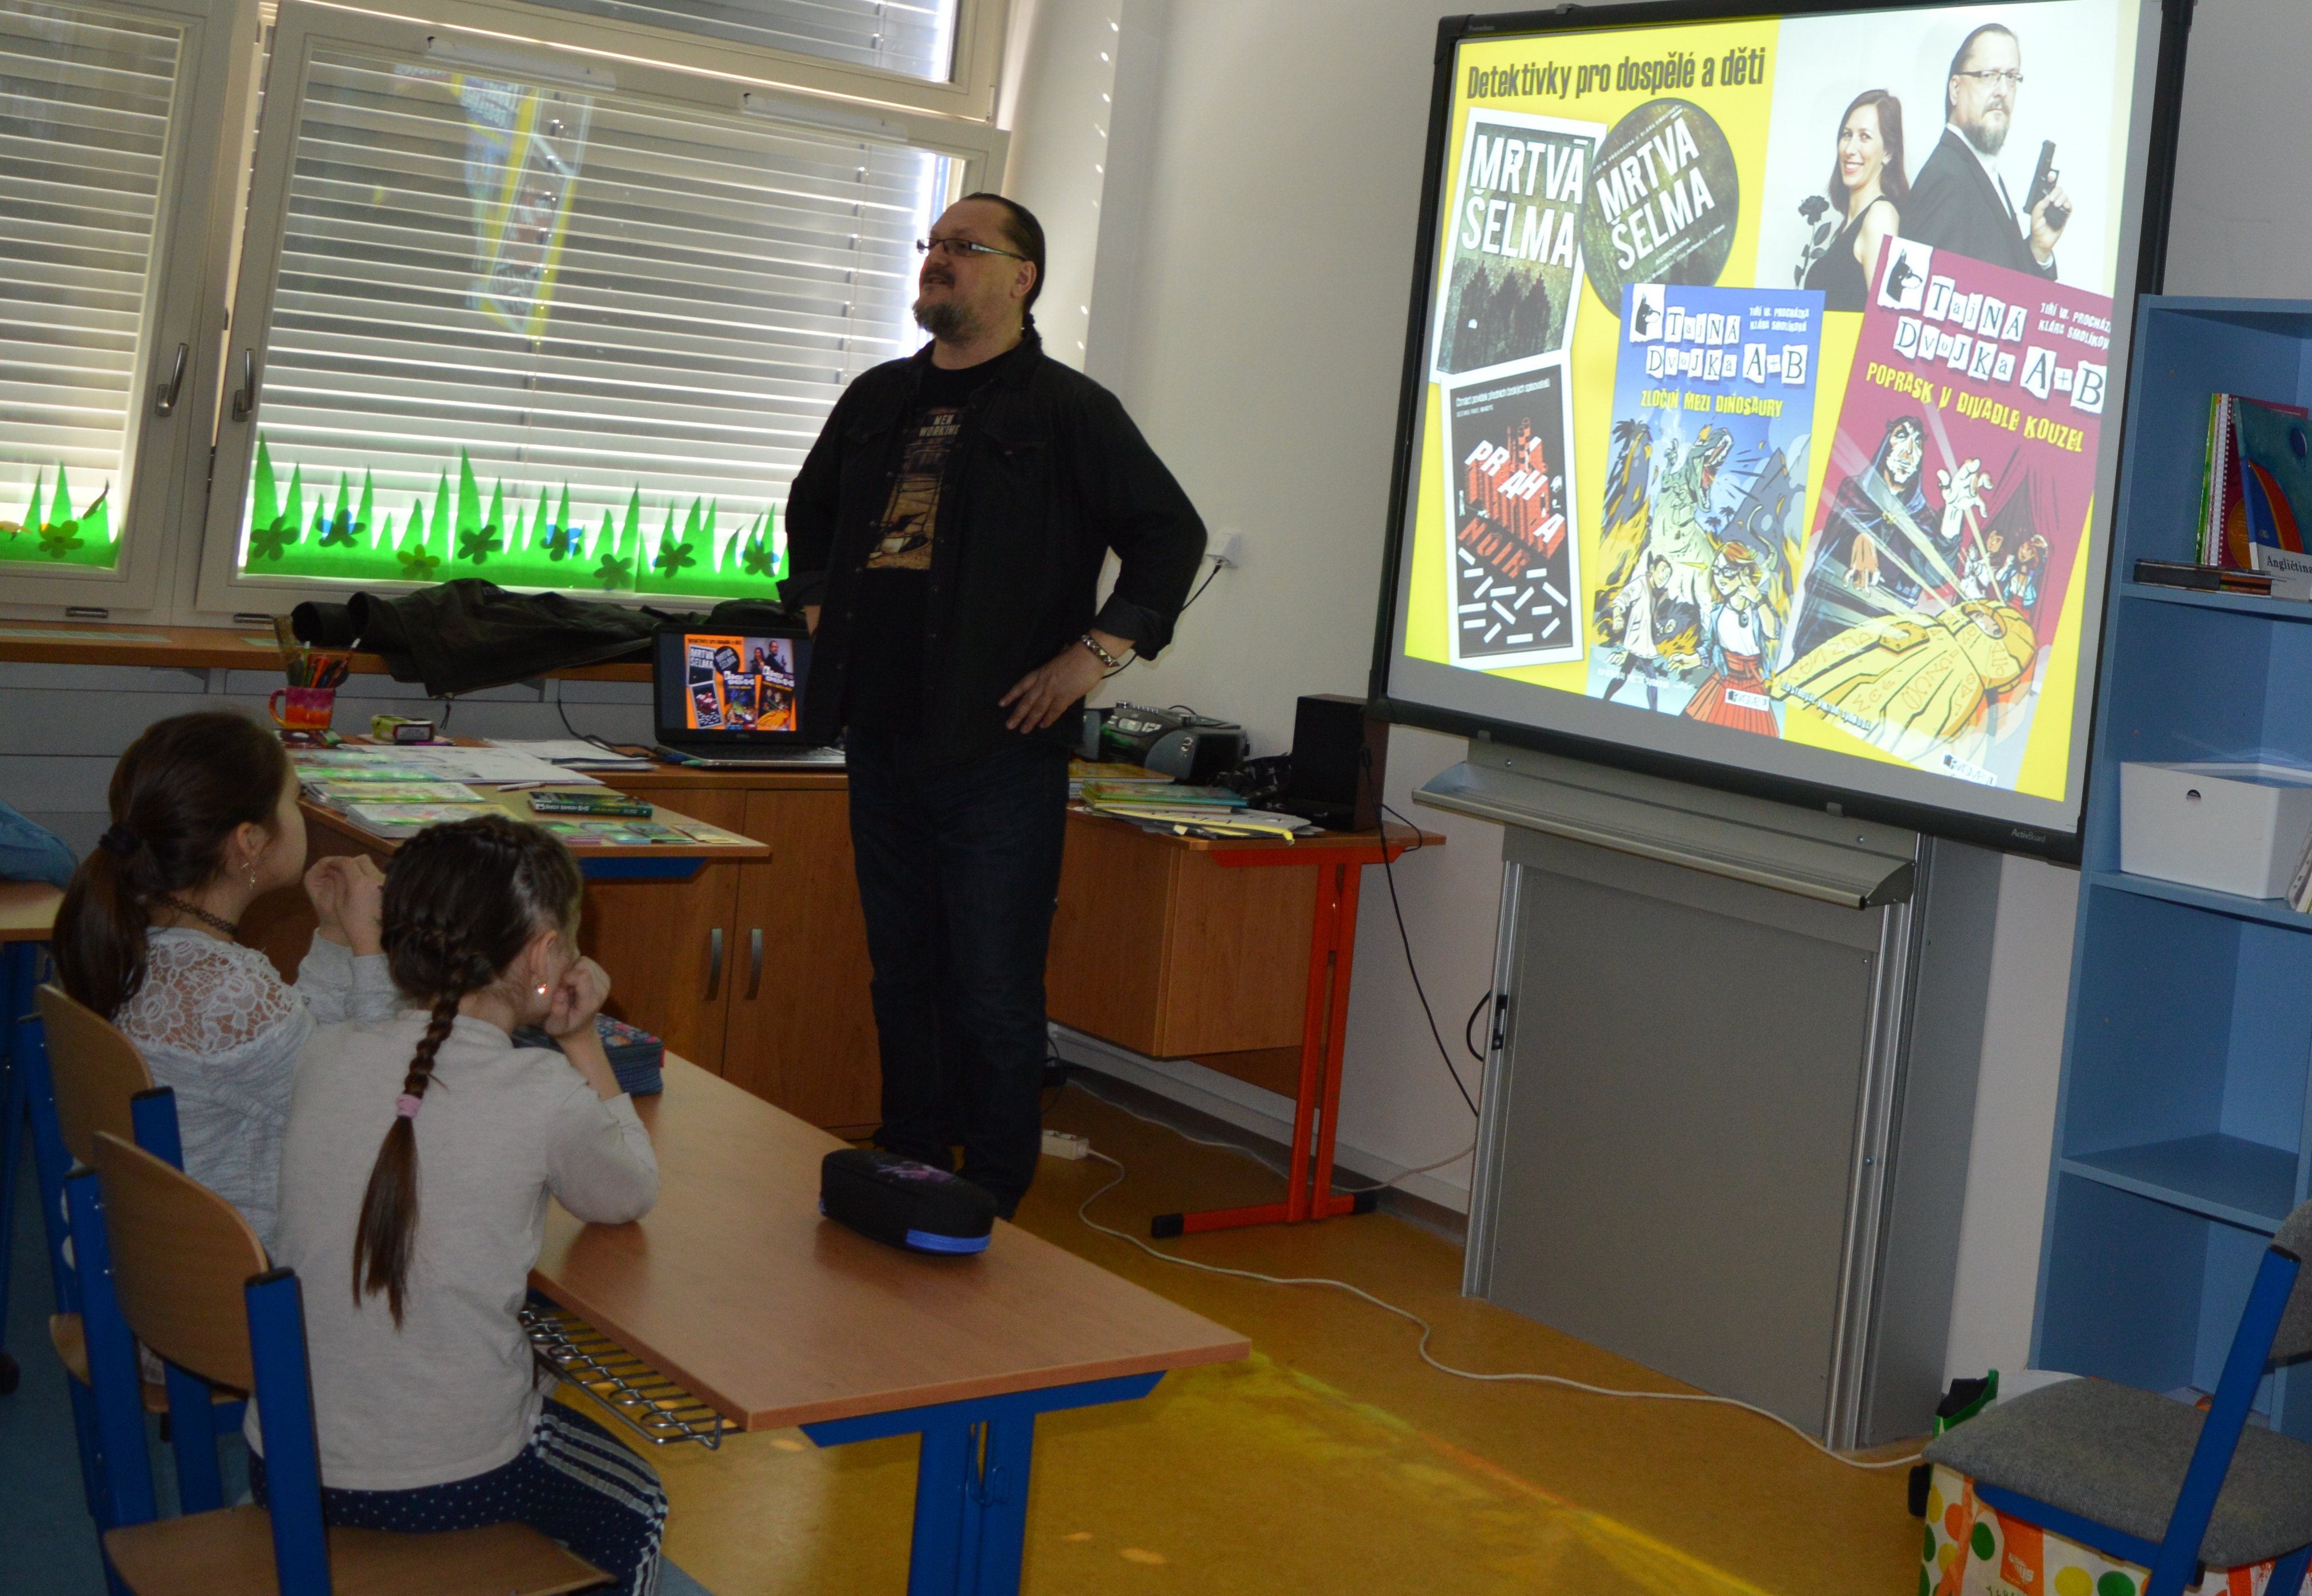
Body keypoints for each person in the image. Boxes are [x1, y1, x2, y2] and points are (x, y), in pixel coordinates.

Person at [781, 192, 1206, 1218]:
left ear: (1022, 277)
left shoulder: (1067, 410)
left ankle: (993, 1192)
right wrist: (817, 605)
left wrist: (1090, 657)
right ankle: (910, 1161)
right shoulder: (877, 396)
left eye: (963, 246)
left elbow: (1169, 535)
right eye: (931, 244)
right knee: (902, 972)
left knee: (990, 983)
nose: (938, 259)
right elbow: (811, 508)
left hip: (998, 749)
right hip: (880, 733)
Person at [258, 815, 664, 1593]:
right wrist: (581, 1040)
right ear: (544, 955)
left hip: (284, 1459)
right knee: (639, 1504)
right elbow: (628, 1192)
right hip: (452, 1478)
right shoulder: (542, 1091)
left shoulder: (325, 1053)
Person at [50, 711, 397, 1248]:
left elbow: (300, 1054)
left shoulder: (131, 938)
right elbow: (378, 1117)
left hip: (139, 1261)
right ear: (250, 841)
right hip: (235, 1280)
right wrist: (373, 951)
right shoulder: (226, 993)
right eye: (296, 800)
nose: (303, 815)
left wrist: (335, 939)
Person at [1902, 23, 2070, 279]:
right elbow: (1924, 299)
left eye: (2011, 77)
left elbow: (1998, 290)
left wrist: (2038, 249)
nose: (2003, 91)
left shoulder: (1978, 171)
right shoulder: (1946, 180)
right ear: (1956, 89)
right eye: (1989, 75)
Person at [1803, 90, 1907, 312]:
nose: (1850, 149)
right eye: (1847, 135)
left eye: (1865, 137)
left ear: (1888, 152)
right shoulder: (1849, 227)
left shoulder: (1880, 217)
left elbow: (1886, 320)